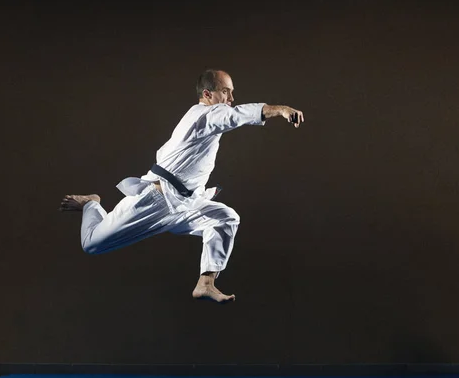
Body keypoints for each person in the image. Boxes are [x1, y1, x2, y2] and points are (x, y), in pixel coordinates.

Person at [59, 69, 304, 303]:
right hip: (156, 201)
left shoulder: (208, 120)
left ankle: (206, 283)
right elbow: (236, 114)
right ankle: (92, 203)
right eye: (226, 91)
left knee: (226, 219)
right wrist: (280, 110)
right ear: (208, 95)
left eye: (231, 92)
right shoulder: (205, 114)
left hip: (184, 204)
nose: (231, 98)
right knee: (92, 245)